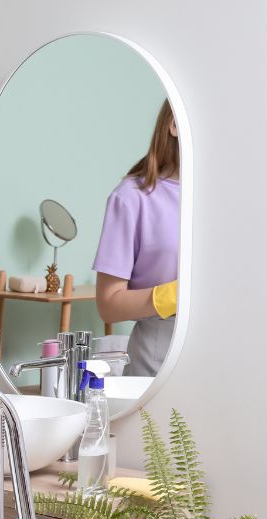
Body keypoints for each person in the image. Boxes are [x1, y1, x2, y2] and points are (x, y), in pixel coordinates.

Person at [93, 99, 181, 377]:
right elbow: (108, 304)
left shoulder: (226, 197)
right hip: (157, 361)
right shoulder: (132, 197)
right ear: (175, 126)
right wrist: (173, 296)